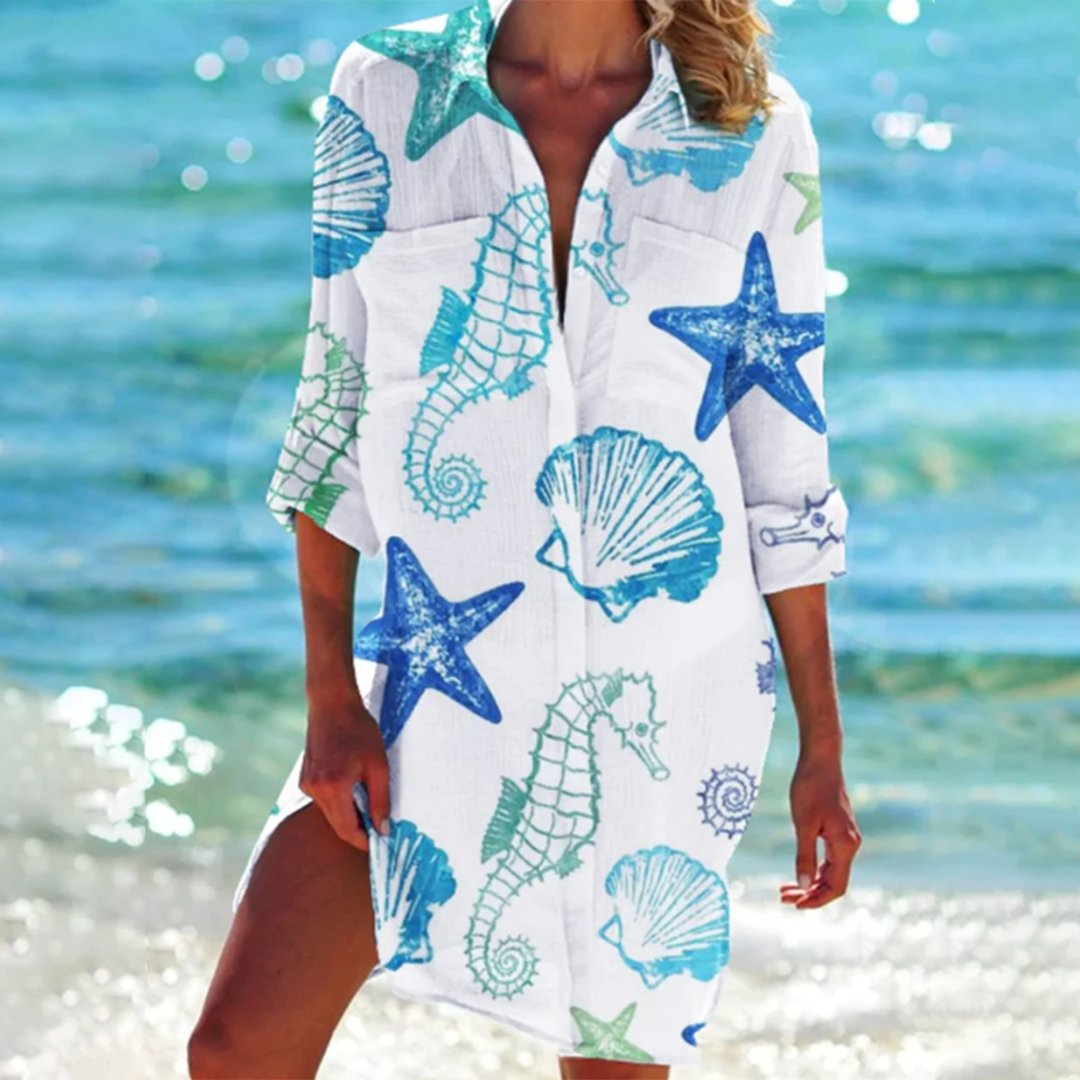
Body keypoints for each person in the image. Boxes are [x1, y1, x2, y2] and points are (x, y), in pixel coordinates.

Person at [188, 0, 862, 1075]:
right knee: (239, 1048)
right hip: (431, 681)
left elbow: (784, 465)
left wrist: (822, 750)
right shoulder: (386, 86)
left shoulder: (751, 122)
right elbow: (333, 412)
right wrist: (330, 697)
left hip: (663, 705)